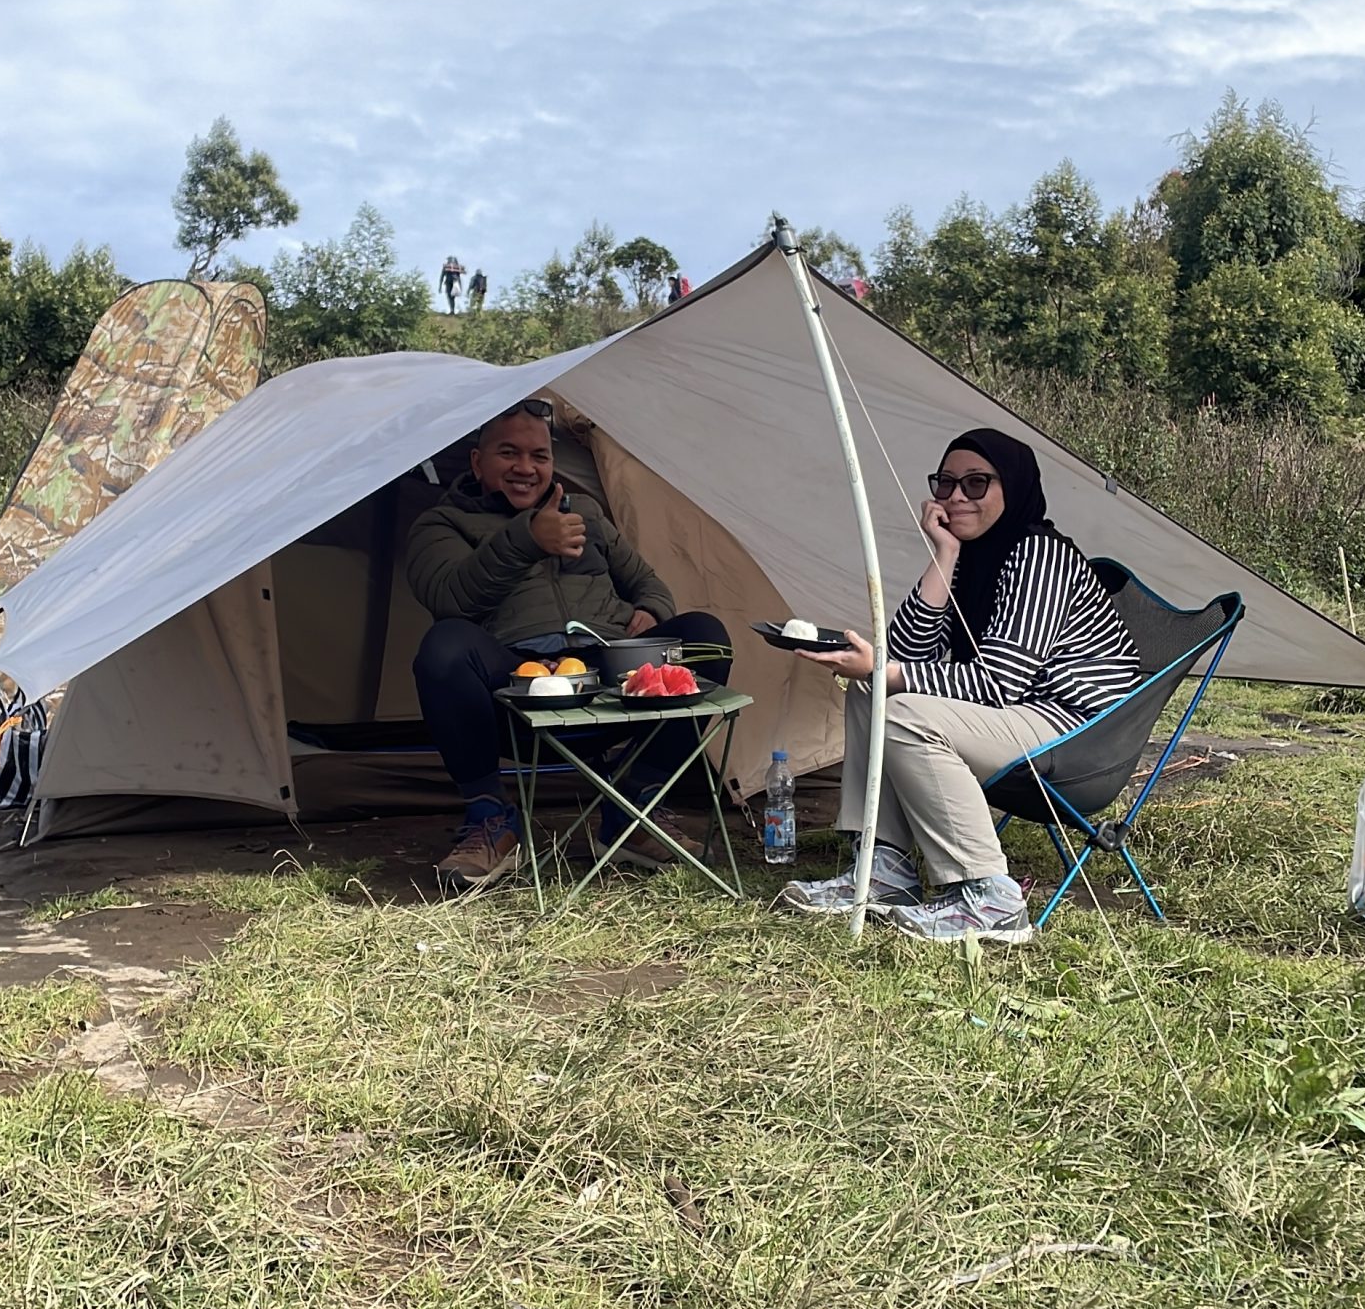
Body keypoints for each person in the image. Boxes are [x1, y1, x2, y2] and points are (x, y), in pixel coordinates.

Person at [781, 427, 1141, 943]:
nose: (955, 497)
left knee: (902, 710)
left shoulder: (1040, 554)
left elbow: (998, 682)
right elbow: (904, 649)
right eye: (945, 483)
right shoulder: (978, 558)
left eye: (976, 483)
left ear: (1010, 487)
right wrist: (945, 554)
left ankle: (992, 897)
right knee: (871, 690)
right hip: (1023, 714)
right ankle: (883, 871)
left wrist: (885, 672)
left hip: (1078, 734)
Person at [408, 401, 730, 886]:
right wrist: (527, 540)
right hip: (513, 692)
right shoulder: (441, 525)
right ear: (477, 462)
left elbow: (650, 584)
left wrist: (652, 614)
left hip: (607, 681)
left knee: (706, 640)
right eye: (508, 453)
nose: (525, 468)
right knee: (444, 646)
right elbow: (451, 598)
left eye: (539, 456)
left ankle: (633, 807)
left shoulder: (585, 514)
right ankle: (492, 822)